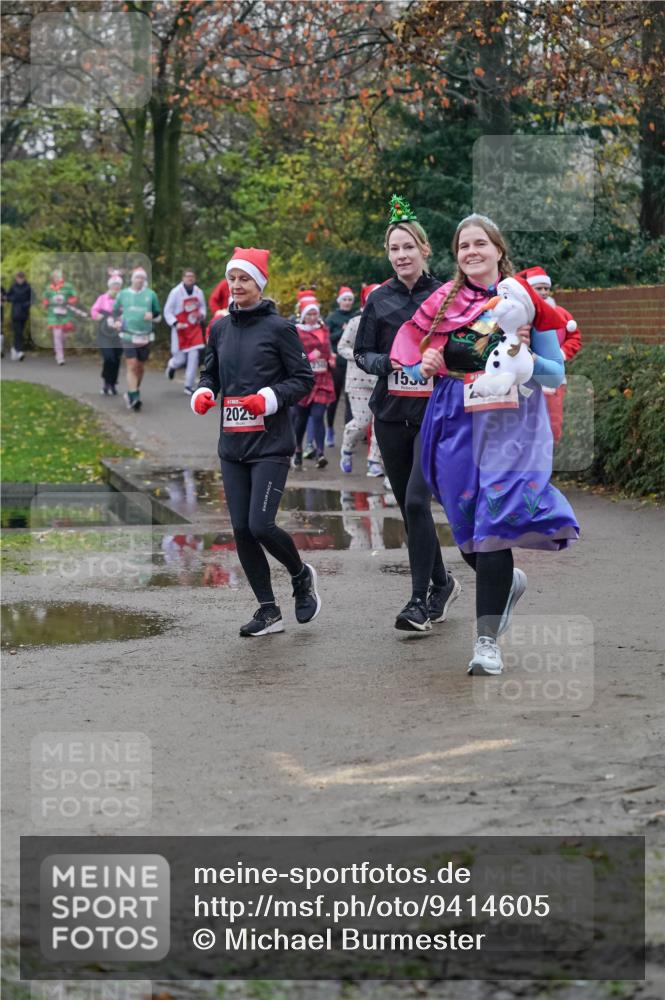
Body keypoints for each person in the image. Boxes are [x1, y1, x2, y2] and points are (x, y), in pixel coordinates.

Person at [392, 213, 579, 676]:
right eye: (463, 246)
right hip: (453, 420)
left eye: (480, 243)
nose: (471, 251)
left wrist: (525, 358)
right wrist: (425, 364)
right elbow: (414, 362)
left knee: (494, 522)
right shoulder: (442, 302)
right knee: (467, 527)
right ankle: (506, 582)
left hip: (510, 425)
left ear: (498, 249)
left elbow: (555, 373)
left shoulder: (524, 300)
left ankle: (486, 642)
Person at [190, 246, 322, 637]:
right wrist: (204, 392)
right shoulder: (219, 329)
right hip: (232, 446)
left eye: (244, 278)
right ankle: (268, 610)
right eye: (232, 278)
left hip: (270, 444)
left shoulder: (280, 328)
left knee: (260, 525)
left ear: (259, 284)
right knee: (242, 530)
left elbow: (303, 380)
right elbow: (211, 374)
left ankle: (300, 575)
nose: (236, 285)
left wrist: (269, 398)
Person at [354, 194, 460, 633]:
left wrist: (440, 361)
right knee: (409, 507)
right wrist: (389, 362)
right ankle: (443, 583)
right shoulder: (379, 300)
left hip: (434, 413)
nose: (401, 255)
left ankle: (418, 602)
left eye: (408, 247)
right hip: (392, 414)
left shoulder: (447, 296)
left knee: (417, 501)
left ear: (424, 249)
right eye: (394, 249)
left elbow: (465, 350)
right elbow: (362, 353)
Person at [517, 266, 582, 444]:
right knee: (527, 420)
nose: (544, 292)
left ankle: (549, 451)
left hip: (552, 374)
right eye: (539, 288)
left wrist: (561, 353)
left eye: (546, 288)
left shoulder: (561, 314)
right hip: (526, 375)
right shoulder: (520, 314)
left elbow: (575, 338)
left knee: (553, 419)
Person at [337, 282, 384, 477]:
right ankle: (347, 449)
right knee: (363, 422)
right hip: (359, 380)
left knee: (380, 423)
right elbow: (342, 347)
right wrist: (361, 357)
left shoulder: (389, 320)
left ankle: (374, 461)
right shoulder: (356, 322)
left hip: (382, 379)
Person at [292, 298, 336, 470]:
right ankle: (297, 450)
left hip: (323, 379)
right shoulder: (296, 331)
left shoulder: (323, 329)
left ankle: (320, 453)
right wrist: (309, 357)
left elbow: (328, 349)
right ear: (303, 316)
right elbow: (294, 354)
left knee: (318, 416)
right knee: (300, 419)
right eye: (309, 314)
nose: (312, 317)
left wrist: (330, 358)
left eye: (315, 314)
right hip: (303, 380)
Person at [113, 266, 161, 412]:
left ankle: (132, 391)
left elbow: (158, 314)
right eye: (137, 277)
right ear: (132, 279)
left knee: (140, 367)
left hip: (145, 336)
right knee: (132, 364)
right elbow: (115, 311)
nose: (139, 280)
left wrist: (152, 316)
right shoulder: (123, 294)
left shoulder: (151, 295)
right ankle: (135, 396)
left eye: (142, 278)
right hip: (128, 334)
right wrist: (116, 322)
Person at [163, 268, 207, 394]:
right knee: (180, 359)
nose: (190, 278)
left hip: (194, 330)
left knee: (194, 357)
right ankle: (172, 365)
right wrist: (175, 323)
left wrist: (201, 315)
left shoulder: (198, 292)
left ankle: (189, 385)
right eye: (187, 276)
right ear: (183, 278)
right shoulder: (176, 292)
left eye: (192, 276)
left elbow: (203, 307)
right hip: (180, 330)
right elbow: (167, 311)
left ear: (195, 278)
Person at [324, 285, 358, 446]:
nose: (348, 302)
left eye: (350, 299)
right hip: (337, 363)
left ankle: (348, 435)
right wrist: (343, 331)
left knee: (351, 399)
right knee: (335, 398)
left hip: (353, 363)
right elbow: (326, 339)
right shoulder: (332, 317)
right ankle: (330, 429)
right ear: (339, 301)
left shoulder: (355, 316)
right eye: (345, 299)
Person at [91, 271, 124, 395]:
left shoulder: (124, 298)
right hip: (104, 333)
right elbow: (94, 310)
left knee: (116, 359)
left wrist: (122, 321)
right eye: (114, 284)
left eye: (118, 285)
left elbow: (128, 312)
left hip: (118, 334)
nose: (116, 287)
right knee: (108, 357)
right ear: (110, 285)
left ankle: (113, 383)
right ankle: (106, 382)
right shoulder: (102, 298)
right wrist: (98, 316)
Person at [42, 267, 78, 364]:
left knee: (63, 337)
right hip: (54, 316)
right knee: (57, 335)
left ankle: (58, 350)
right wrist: (45, 303)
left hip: (65, 315)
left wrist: (70, 301)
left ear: (61, 277)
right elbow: (45, 297)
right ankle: (60, 357)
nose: (56, 278)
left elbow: (74, 296)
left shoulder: (67, 286)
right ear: (52, 278)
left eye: (58, 276)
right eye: (55, 277)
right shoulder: (49, 288)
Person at [7, 272, 32, 361]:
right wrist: (12, 298)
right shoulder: (13, 286)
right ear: (16, 278)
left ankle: (15, 348)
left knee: (20, 332)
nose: (20, 279)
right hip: (15, 312)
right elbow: (8, 296)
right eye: (19, 278)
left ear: (24, 278)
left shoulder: (28, 287)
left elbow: (33, 298)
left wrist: (27, 304)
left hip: (24, 312)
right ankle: (20, 351)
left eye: (22, 278)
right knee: (18, 332)